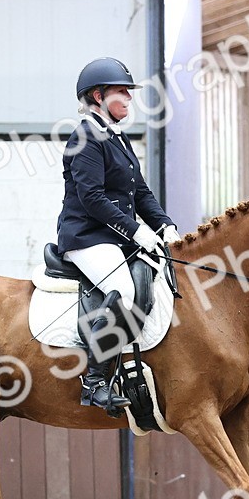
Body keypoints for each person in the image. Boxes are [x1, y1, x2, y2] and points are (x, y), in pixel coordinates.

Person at [56, 57, 181, 411]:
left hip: (114, 237)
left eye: (129, 93)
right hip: (85, 237)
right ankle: (94, 382)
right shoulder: (85, 138)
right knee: (123, 290)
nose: (129, 99)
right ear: (97, 96)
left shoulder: (117, 140)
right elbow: (92, 198)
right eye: (121, 93)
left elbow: (140, 193)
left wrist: (164, 224)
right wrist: (136, 231)